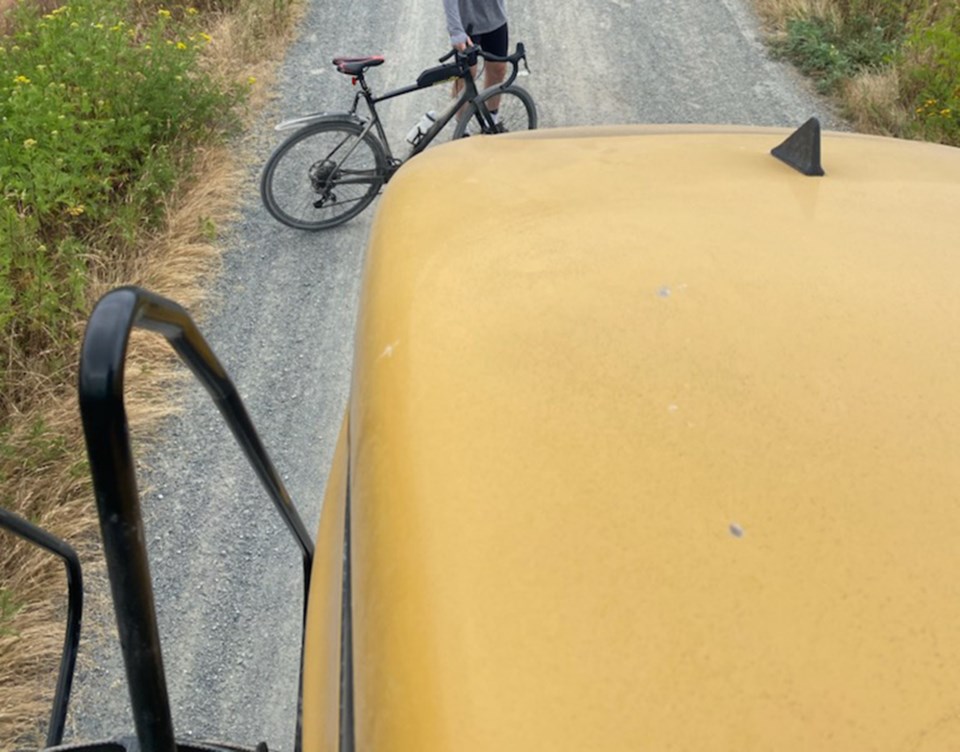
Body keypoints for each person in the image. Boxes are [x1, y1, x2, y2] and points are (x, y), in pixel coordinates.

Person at [443, 0, 508, 122]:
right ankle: (462, 127)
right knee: (466, 77)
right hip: (466, 23)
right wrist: (455, 30)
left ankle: (492, 120)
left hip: (495, 17)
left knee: (498, 69)